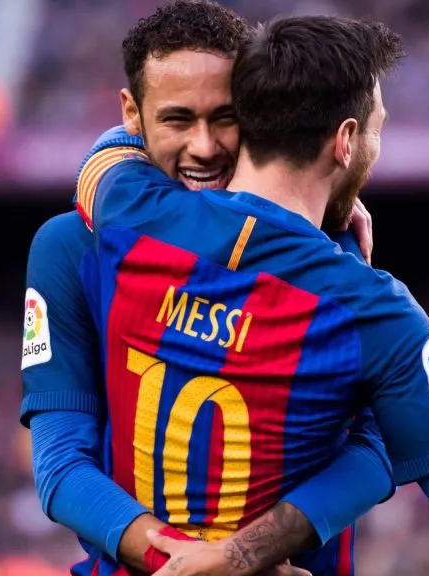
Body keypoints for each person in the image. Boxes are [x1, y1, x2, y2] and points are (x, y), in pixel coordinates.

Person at [73, 14, 429, 576]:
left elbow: (110, 150)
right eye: (378, 129)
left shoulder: (132, 212)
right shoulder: (373, 310)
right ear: (345, 141)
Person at [22, 2, 390, 575]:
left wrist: (246, 554)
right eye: (177, 119)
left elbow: (376, 444)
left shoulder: (324, 246)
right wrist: (205, 565)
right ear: (132, 115)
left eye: (226, 116)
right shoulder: (71, 248)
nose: (205, 146)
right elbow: (61, 465)